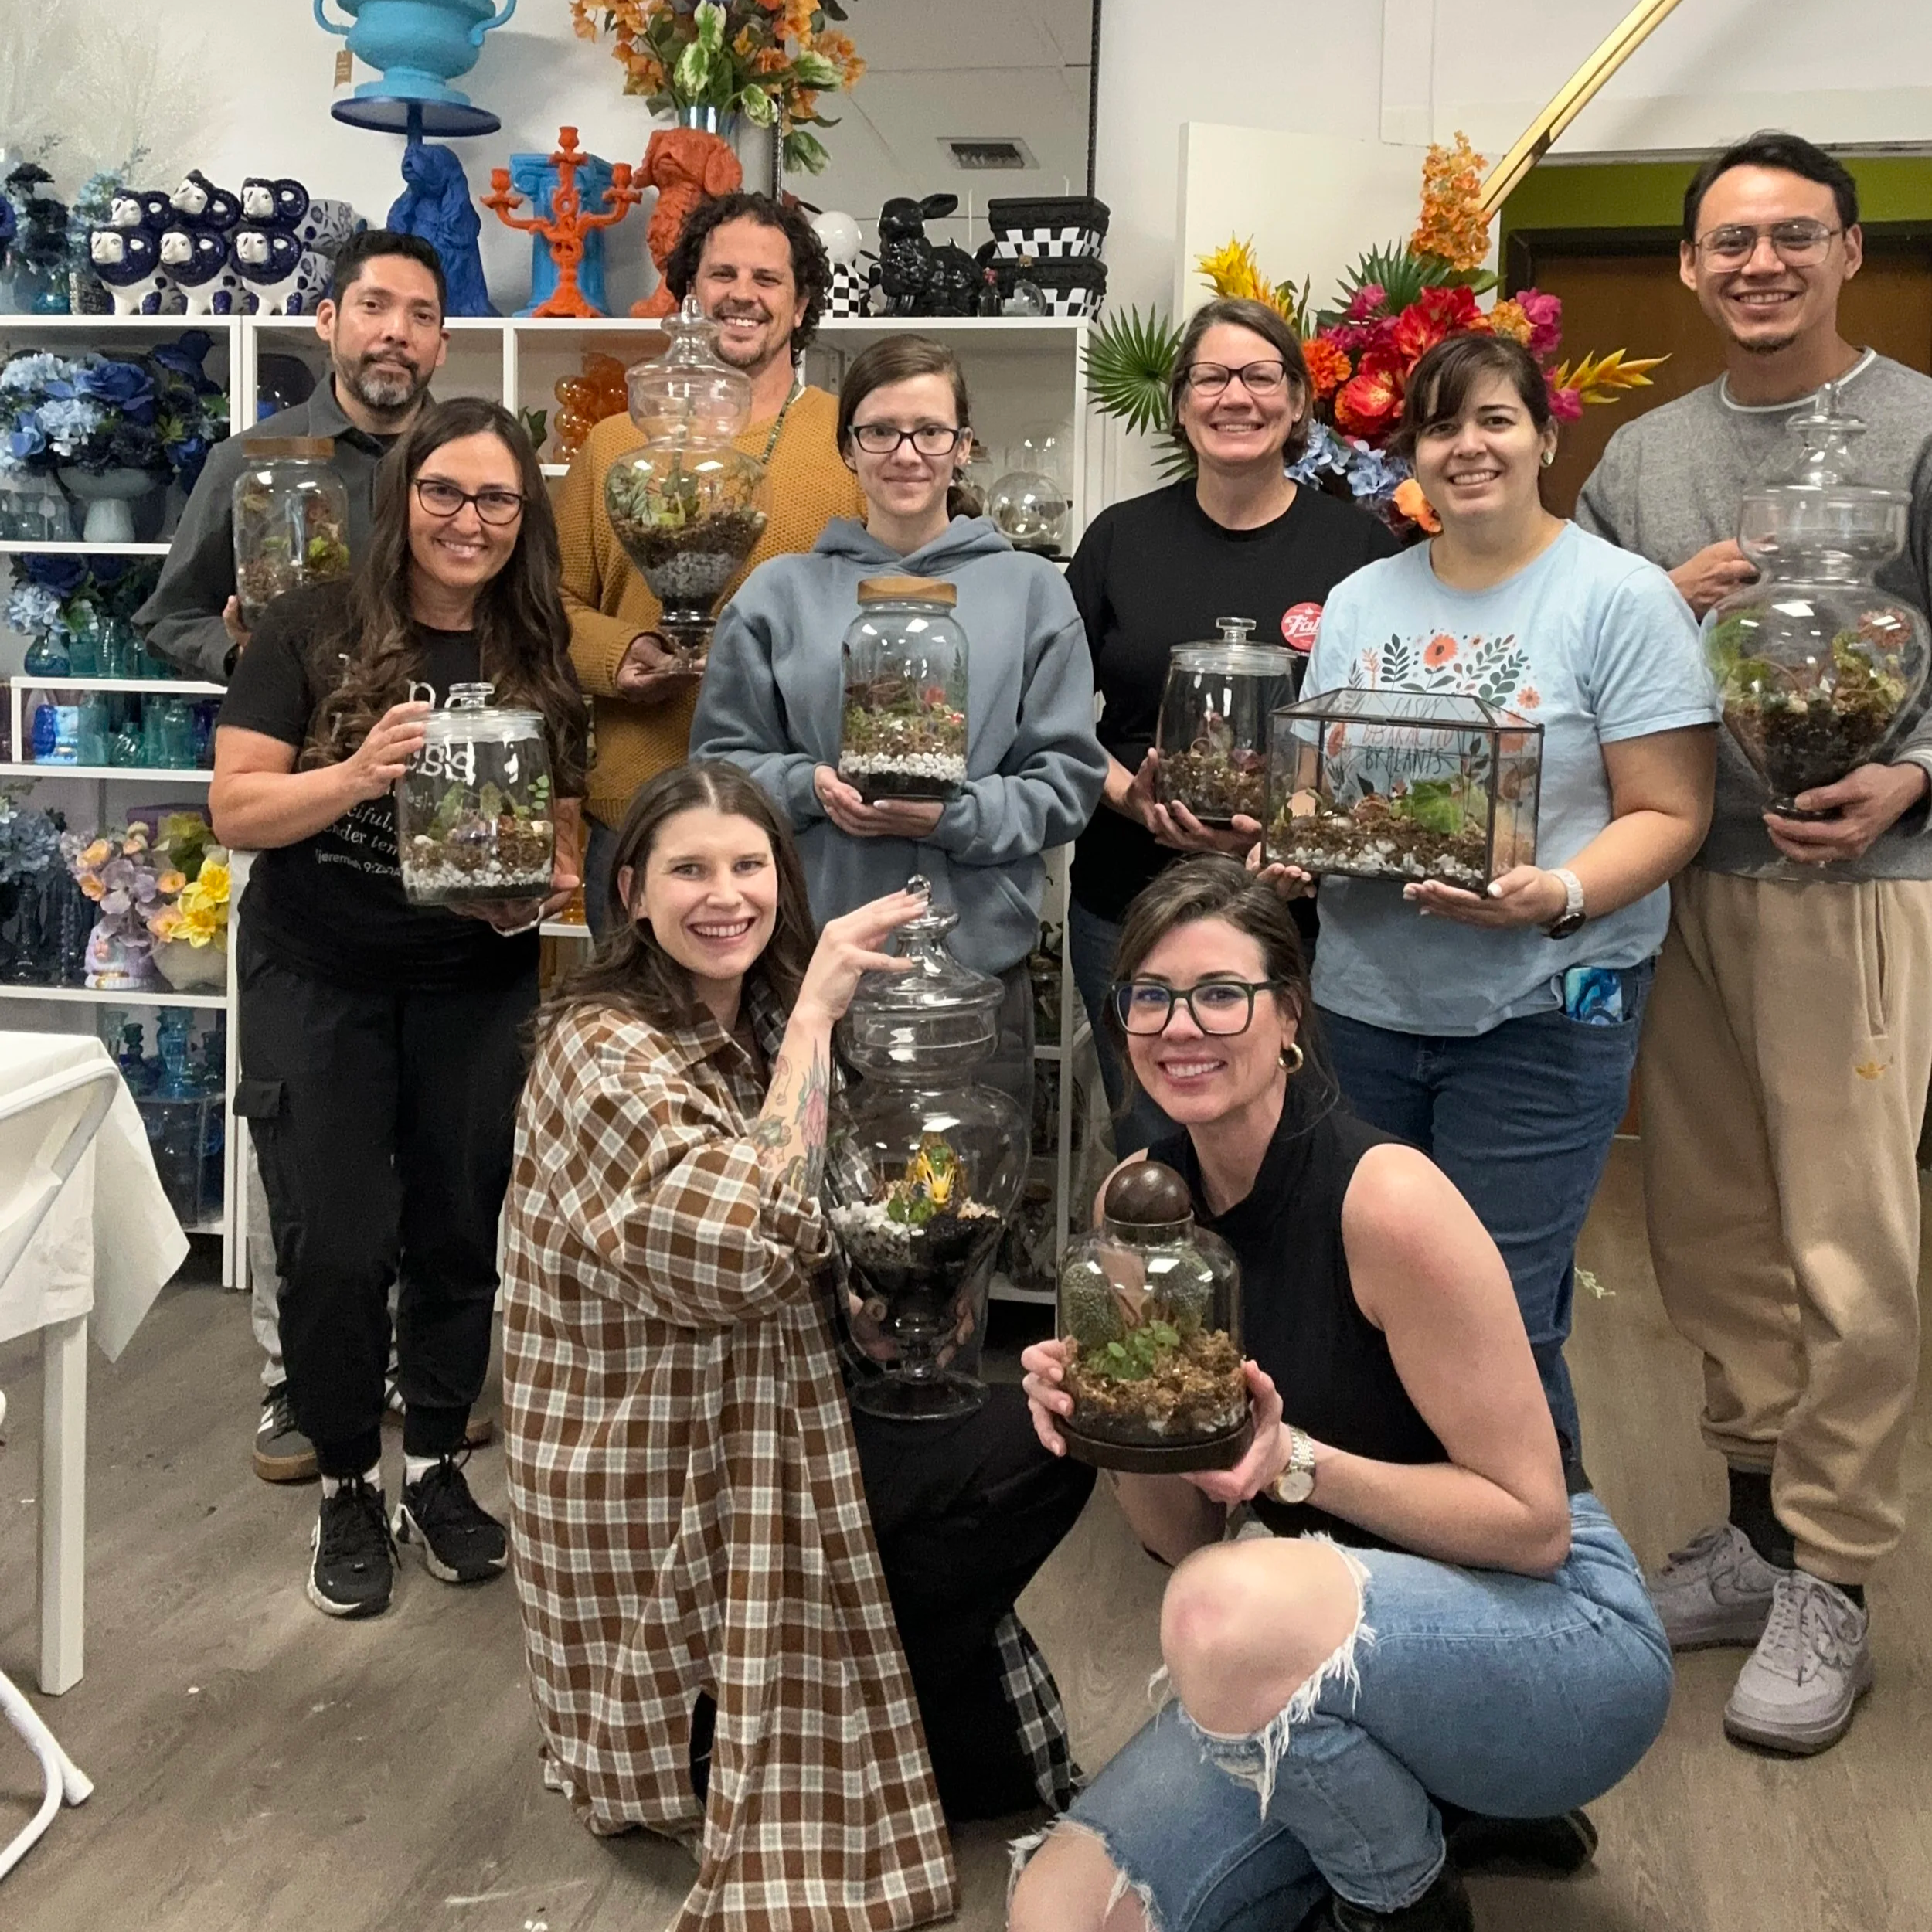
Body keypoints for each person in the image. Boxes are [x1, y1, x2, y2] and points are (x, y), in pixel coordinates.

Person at [1008, 858, 1672, 1932]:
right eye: (1151, 996)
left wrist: (1294, 1464)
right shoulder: (1142, 1214)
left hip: (1555, 1637)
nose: (1184, 1025)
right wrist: (1108, 1428)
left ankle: (1401, 1900)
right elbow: (1181, 1536)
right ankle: (1441, 1800)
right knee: (1061, 1914)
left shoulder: (1389, 1199)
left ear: (1289, 1019)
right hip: (1294, 1642)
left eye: (1223, 993)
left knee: (1225, 1606)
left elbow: (1534, 1525)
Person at [503, 764, 1090, 1931]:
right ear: (630, 892)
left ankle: (891, 1678)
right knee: (986, 1469)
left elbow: (832, 1211)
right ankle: (740, 1718)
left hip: (788, 1391)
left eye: (748, 866)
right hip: (656, 1459)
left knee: (1052, 1433)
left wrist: (878, 1297)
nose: (725, 896)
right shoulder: (597, 1045)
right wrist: (818, 1018)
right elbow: (732, 1248)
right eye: (688, 869)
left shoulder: (757, 1016)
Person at [1573, 131, 1932, 1753]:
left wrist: (1910, 773)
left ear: (1849, 248)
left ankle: (1836, 1577)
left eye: (1792, 235)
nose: (1758, 264)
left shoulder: (1924, 429)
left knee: (1847, 1244)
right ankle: (1752, 1528)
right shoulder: (1645, 458)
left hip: (1854, 893)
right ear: (1689, 269)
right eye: (1728, 242)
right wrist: (1656, 585)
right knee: (1707, 1229)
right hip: (1677, 880)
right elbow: (1573, 636)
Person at [1277, 331, 1716, 1461]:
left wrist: (1557, 893)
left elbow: (1672, 813)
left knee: (1501, 1316)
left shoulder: (1618, 599)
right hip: (1367, 1007)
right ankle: (1382, 1576)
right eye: (1439, 426)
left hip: (1541, 1012)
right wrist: (1301, 852)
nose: (1466, 447)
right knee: (1363, 1297)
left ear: (1545, 437)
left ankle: (1542, 1591)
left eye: (1494, 420)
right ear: (1411, 457)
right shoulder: (1363, 600)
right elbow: (1330, 793)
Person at [210, 398, 587, 1620]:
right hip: (318, 976)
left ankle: (432, 1465)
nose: (467, 521)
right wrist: (359, 771)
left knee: (455, 1231)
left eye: (495, 500)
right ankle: (341, 1485)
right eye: (444, 493)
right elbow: (237, 811)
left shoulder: (535, 646)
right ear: (401, 499)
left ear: (521, 520)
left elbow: (559, 835)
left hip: (468, 984)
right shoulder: (309, 629)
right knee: (333, 1243)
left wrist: (541, 890)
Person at [134, 227, 454, 1485]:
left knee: (431, 1132)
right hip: (300, 834)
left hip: (437, 844)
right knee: (304, 1130)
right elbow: (164, 611)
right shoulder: (257, 462)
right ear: (328, 322)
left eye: (419, 315)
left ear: (441, 338)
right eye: (372, 307)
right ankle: (293, 1378)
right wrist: (250, 665)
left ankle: (410, 1377)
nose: (394, 334)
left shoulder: (464, 465)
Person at [691, 335, 1107, 1118]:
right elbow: (719, 765)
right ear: (849, 448)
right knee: (803, 1208)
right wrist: (808, 786)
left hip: (973, 970)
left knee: (965, 1209)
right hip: (811, 966)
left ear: (963, 446)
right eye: (879, 430)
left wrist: (954, 817)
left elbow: (1066, 781)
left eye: (929, 431)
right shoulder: (781, 592)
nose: (905, 453)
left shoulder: (1029, 591)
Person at [1065, 295, 1398, 1153]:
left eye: (1260, 376)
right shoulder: (1119, 539)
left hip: (1298, 918)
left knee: (1302, 1148)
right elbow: (1053, 713)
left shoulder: (1358, 550)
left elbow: (1381, 730)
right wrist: (1131, 800)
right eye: (1211, 377)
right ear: (1180, 404)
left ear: (1296, 403)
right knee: (1156, 1146)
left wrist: (1300, 835)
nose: (1234, 397)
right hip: (1129, 900)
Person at [557, 192, 865, 935]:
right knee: (638, 1041)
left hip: (799, 819)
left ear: (801, 306)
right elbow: (551, 605)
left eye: (768, 279)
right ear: (688, 290)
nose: (742, 295)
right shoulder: (612, 443)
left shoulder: (849, 441)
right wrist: (618, 653)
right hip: (640, 815)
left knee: (796, 1044)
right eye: (721, 273)